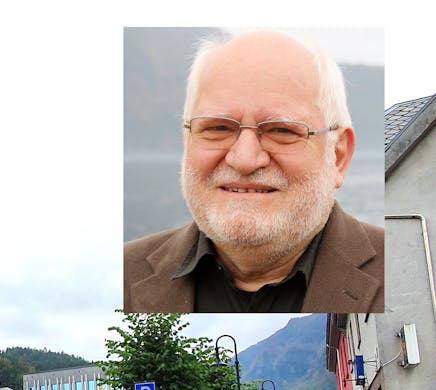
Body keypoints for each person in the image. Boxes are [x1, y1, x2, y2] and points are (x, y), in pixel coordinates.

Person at [123, 30, 383, 313]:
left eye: (281, 130)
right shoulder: (123, 272)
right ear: (187, 140)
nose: (244, 160)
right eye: (218, 128)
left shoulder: (404, 266)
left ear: (338, 155)